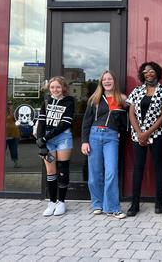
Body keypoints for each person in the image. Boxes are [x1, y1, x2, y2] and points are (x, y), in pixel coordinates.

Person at [126, 61, 162, 216]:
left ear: (157, 73)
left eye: (151, 70)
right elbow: (131, 113)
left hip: (157, 134)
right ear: (142, 74)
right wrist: (140, 133)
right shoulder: (137, 91)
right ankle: (135, 204)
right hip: (137, 135)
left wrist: (147, 133)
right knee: (138, 168)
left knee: (158, 166)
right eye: (145, 71)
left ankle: (159, 202)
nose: (148, 73)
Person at [81, 70, 128, 219]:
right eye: (104, 79)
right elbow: (86, 122)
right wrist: (84, 141)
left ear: (114, 81)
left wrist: (119, 130)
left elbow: (124, 120)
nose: (107, 81)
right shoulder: (94, 99)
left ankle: (112, 207)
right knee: (94, 174)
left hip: (111, 137)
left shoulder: (121, 98)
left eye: (109, 79)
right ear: (101, 82)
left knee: (111, 172)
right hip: (94, 135)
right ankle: (97, 204)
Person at [36, 76, 74, 216]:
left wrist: (45, 137)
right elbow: (41, 122)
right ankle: (52, 202)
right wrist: (41, 142)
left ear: (63, 87)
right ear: (49, 88)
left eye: (58, 87)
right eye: (52, 87)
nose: (55, 89)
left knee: (63, 169)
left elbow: (65, 124)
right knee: (51, 171)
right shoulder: (46, 100)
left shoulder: (69, 101)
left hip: (63, 138)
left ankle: (61, 202)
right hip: (48, 140)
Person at [6, 101, 21, 168]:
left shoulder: (14, 113)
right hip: (4, 135)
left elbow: (18, 121)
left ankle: (16, 163)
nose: (9, 105)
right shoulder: (1, 111)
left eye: (11, 104)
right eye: (8, 104)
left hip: (14, 134)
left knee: (14, 150)